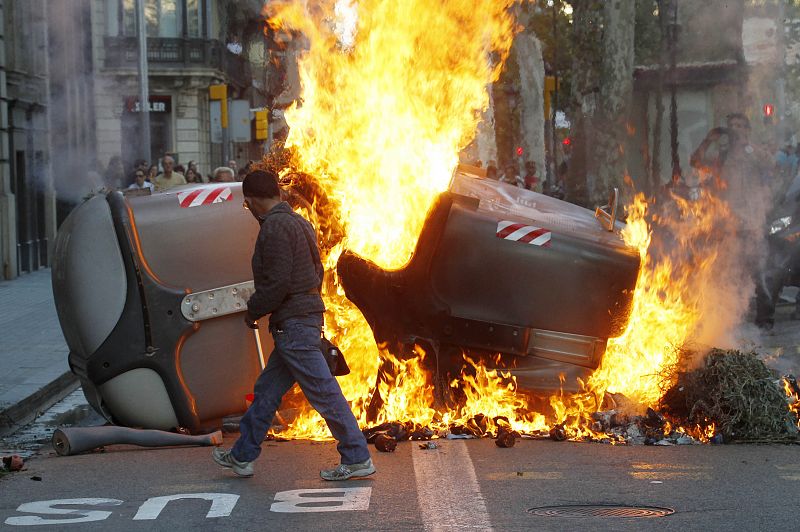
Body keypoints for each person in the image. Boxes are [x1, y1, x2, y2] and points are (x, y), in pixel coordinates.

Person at [212, 169, 374, 481]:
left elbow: (277, 283)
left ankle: (356, 456)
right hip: (303, 319)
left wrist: (253, 311)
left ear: (253, 200)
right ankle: (242, 456)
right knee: (267, 392)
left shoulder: (274, 228)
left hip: (293, 325)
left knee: (324, 392)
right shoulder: (301, 223)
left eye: (248, 205)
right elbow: (317, 269)